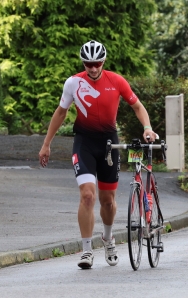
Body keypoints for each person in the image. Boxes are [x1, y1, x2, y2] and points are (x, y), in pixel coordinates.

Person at [38, 40, 158, 269]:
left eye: (97, 63)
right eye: (89, 63)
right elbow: (61, 112)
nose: (93, 68)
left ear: (103, 61)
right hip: (83, 143)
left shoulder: (116, 81)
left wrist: (147, 127)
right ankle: (86, 251)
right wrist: (46, 144)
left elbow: (137, 106)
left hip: (109, 144)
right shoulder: (73, 83)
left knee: (108, 201)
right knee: (87, 196)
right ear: (83, 63)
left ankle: (108, 238)